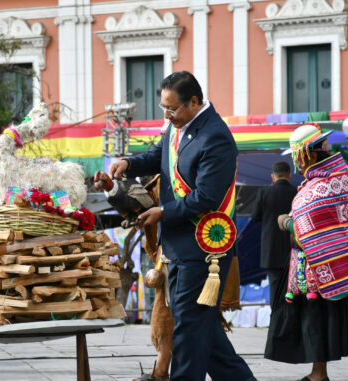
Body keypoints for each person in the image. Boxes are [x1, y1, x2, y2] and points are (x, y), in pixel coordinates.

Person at [109, 71, 254, 381]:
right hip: (178, 245)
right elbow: (159, 155)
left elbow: (206, 196)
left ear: (194, 102)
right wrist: (129, 164)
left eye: (172, 108)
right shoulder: (179, 126)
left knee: (188, 329)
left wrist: (163, 212)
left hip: (202, 249)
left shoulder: (215, 136)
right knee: (205, 333)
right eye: (163, 107)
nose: (167, 114)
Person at [264, 123, 348, 381]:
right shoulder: (342, 176)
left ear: (309, 155)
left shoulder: (315, 190)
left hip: (324, 266)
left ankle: (321, 374)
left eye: (298, 158)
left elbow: (304, 229)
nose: (299, 165)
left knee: (318, 317)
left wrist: (285, 221)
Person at [251, 161, 297, 302]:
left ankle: (275, 321)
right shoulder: (297, 192)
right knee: (293, 287)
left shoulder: (264, 193)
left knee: (275, 287)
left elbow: (255, 216)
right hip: (293, 248)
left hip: (271, 250)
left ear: (273, 176)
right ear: (290, 175)